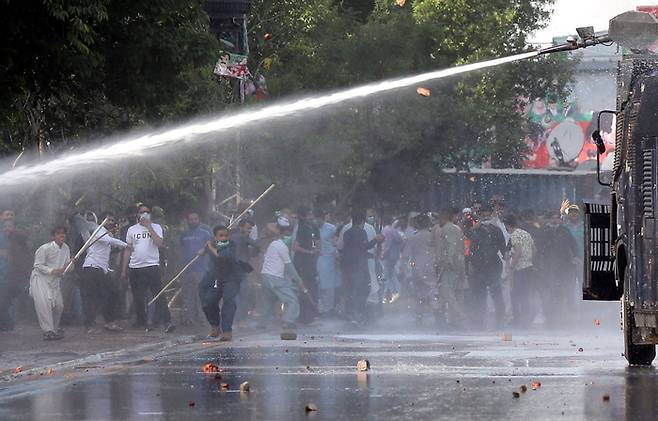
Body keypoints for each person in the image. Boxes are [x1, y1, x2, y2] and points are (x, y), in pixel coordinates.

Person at [121, 204, 174, 333]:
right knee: (138, 296)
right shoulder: (132, 229)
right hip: (135, 267)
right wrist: (124, 269)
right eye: (141, 212)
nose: (144, 214)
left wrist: (149, 226)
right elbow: (128, 250)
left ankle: (167, 321)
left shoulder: (156, 227)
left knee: (158, 295)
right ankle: (142, 321)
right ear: (137, 214)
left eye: (147, 212)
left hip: (151, 266)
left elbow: (159, 243)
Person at [80, 212, 127, 333]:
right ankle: (89, 325)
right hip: (92, 267)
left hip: (101, 269)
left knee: (112, 292)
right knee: (91, 296)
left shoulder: (108, 233)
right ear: (102, 221)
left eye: (112, 220)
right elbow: (107, 240)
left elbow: (107, 249)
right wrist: (126, 245)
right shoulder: (98, 230)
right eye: (108, 220)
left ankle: (109, 322)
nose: (111, 223)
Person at [198, 225, 245, 341]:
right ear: (215, 237)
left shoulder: (231, 245)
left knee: (228, 301)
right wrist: (203, 250)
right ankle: (215, 325)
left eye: (226, 235)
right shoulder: (212, 244)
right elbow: (202, 252)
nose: (224, 238)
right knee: (208, 301)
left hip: (232, 277)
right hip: (216, 277)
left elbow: (221, 256)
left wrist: (209, 246)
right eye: (221, 236)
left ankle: (227, 331)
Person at [260, 217, 307, 333]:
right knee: (292, 299)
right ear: (286, 232)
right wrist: (299, 281)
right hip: (274, 278)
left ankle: (261, 324)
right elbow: (289, 266)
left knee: (268, 301)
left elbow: (264, 259)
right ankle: (288, 321)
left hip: (265, 276)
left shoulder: (272, 244)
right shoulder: (282, 246)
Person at [341, 210, 383, 325]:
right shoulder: (362, 232)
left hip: (348, 265)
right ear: (362, 222)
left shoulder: (346, 232)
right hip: (359, 266)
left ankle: (350, 312)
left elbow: (350, 249)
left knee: (350, 289)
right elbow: (364, 247)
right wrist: (376, 240)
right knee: (363, 289)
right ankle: (359, 312)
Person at [536, 211, 578, 327]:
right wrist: (539, 263)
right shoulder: (543, 231)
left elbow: (573, 245)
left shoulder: (564, 231)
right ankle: (549, 316)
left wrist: (575, 257)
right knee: (547, 293)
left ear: (560, 220)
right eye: (552, 218)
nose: (554, 220)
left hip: (562, 267)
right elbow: (538, 248)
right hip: (547, 267)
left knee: (559, 292)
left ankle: (559, 316)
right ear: (549, 220)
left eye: (556, 218)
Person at [29, 226, 71, 340]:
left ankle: (54, 329)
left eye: (63, 233)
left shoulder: (66, 248)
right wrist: (52, 271)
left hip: (54, 282)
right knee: (44, 305)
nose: (61, 235)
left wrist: (69, 266)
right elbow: (37, 265)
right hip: (41, 279)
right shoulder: (44, 248)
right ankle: (48, 331)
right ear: (53, 236)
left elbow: (67, 265)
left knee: (59, 306)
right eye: (58, 233)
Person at [469, 206, 507, 328]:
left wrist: (508, 264)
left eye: (487, 214)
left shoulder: (496, 230)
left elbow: (503, 248)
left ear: (491, 215)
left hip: (493, 266)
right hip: (478, 266)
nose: (485, 216)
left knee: (496, 292)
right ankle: (479, 320)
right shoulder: (474, 230)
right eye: (482, 215)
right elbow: (468, 242)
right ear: (479, 216)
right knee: (480, 294)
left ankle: (500, 319)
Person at [402, 214, 437, 326]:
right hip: (432, 266)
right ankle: (438, 316)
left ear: (417, 224)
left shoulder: (413, 238)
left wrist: (403, 270)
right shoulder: (433, 236)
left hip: (417, 268)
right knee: (433, 292)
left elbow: (405, 255)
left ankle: (419, 317)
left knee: (419, 294)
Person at [179, 211, 213, 326]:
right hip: (187, 269)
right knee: (188, 295)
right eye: (191, 219)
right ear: (188, 221)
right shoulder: (184, 234)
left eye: (195, 219)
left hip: (201, 270)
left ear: (199, 220)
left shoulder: (205, 233)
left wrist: (204, 250)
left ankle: (203, 319)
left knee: (201, 296)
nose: (193, 221)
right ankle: (189, 319)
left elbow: (212, 246)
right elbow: (182, 249)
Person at [435, 208, 467, 328]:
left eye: (439, 219)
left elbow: (451, 246)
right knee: (457, 291)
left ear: (443, 218)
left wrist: (448, 260)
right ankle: (455, 319)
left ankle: (459, 314)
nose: (438, 222)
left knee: (446, 290)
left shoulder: (447, 228)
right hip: (458, 263)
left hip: (451, 265)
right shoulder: (455, 228)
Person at [504, 214, 537, 328]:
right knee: (525, 293)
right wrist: (529, 259)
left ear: (507, 225)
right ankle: (526, 316)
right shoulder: (526, 233)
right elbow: (534, 249)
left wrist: (511, 266)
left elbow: (517, 252)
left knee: (515, 294)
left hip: (520, 269)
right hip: (529, 267)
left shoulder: (514, 235)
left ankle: (519, 318)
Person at [293, 206, 319, 324]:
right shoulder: (301, 228)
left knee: (312, 288)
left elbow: (317, 242)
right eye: (308, 215)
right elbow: (295, 247)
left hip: (311, 264)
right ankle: (303, 316)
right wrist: (310, 252)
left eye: (311, 214)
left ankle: (310, 316)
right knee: (304, 289)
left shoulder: (313, 227)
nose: (311, 217)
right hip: (302, 264)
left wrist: (317, 250)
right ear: (303, 216)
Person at [316, 210, 340, 315]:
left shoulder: (331, 228)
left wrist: (336, 253)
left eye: (318, 219)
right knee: (318, 284)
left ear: (323, 218)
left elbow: (337, 241)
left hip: (329, 259)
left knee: (328, 285)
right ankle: (319, 308)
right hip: (316, 258)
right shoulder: (312, 228)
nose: (316, 221)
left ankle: (328, 308)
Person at [380, 216, 403, 304]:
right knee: (391, 273)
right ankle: (391, 292)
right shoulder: (394, 230)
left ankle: (393, 292)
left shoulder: (385, 230)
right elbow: (400, 240)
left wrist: (383, 253)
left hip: (388, 256)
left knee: (387, 275)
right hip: (395, 255)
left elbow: (386, 244)